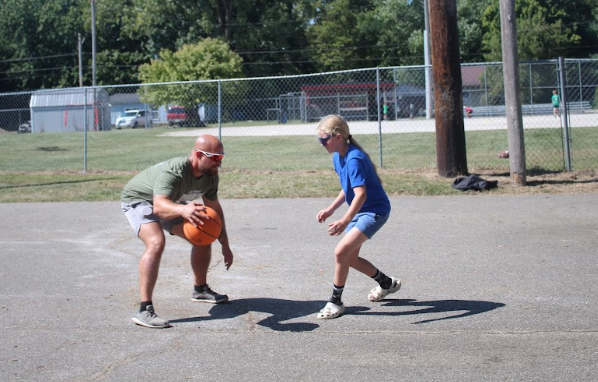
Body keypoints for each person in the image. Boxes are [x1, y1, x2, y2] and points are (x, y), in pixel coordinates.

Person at [121, 134, 233, 328]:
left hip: (169, 201)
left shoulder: (210, 177)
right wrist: (183, 209)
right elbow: (159, 206)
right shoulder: (175, 172)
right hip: (140, 199)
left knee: (203, 232)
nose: (218, 163)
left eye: (221, 158)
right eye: (214, 158)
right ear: (198, 155)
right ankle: (144, 309)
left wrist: (224, 243)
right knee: (156, 242)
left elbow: (215, 209)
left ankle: (200, 289)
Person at [315, 115, 401, 319]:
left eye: (323, 140)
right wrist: (331, 209)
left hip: (374, 210)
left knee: (341, 252)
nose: (321, 144)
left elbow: (361, 194)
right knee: (350, 257)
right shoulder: (338, 156)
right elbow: (348, 188)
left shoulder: (354, 158)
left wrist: (344, 220)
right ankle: (386, 283)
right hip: (360, 209)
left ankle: (335, 301)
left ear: (337, 137)